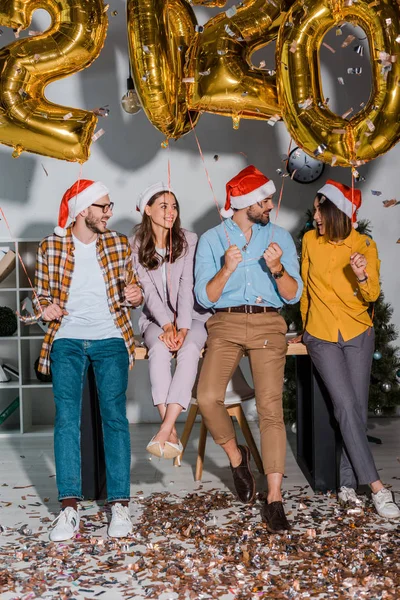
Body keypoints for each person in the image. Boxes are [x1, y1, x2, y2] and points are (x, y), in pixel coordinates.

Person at [194, 165, 302, 533]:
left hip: (269, 322)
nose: (270, 206)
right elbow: (203, 297)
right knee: (207, 397)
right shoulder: (211, 239)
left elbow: (292, 294)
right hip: (223, 322)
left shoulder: (280, 237)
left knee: (270, 408)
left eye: (269, 200)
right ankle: (237, 457)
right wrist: (225, 270)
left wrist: (276, 269)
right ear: (245, 203)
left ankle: (274, 499)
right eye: (265, 200)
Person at [34, 179, 143, 541]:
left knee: (114, 416)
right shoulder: (51, 246)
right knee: (66, 418)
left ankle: (120, 506)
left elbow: (133, 291)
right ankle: (68, 510)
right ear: (83, 211)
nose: (110, 212)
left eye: (109, 206)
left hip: (111, 337)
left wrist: (135, 293)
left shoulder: (118, 243)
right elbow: (36, 301)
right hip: (65, 338)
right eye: (104, 206)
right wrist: (43, 307)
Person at [290, 179, 400, 519]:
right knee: (345, 404)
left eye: (319, 209)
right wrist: (304, 328)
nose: (315, 215)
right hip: (321, 335)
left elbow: (371, 296)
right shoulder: (310, 240)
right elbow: (306, 287)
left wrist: (362, 275)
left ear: (334, 211)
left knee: (355, 409)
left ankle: (349, 486)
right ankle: (379, 489)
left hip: (357, 334)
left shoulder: (363, 244)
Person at [130, 182, 209, 458]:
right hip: (154, 321)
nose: (170, 211)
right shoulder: (136, 244)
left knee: (188, 350)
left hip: (193, 318)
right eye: (163, 206)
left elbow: (188, 286)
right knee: (159, 350)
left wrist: (184, 327)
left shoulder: (189, 239)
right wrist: (166, 326)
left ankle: (165, 428)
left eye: (174, 206)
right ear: (148, 210)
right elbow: (147, 291)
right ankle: (170, 429)